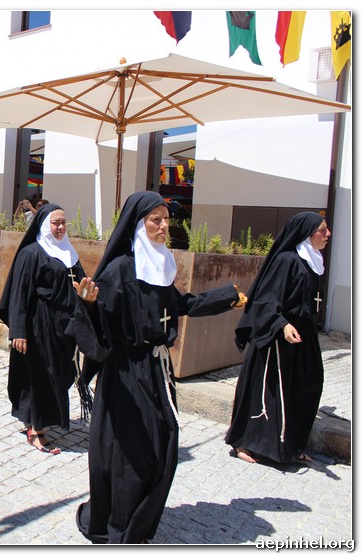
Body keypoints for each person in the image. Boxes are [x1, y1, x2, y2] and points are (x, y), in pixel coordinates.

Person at [75, 190, 245, 544]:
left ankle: (135, 520)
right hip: (124, 374)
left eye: (167, 219)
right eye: (156, 220)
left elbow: (182, 304)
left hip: (154, 371)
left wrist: (225, 297)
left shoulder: (162, 264)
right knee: (131, 452)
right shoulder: (120, 270)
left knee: (161, 444)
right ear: (139, 225)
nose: (165, 226)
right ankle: (121, 527)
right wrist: (89, 305)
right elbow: (100, 327)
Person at [225, 212, 330, 465]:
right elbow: (266, 299)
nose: (328, 234)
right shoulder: (287, 260)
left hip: (304, 336)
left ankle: (291, 445)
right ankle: (246, 443)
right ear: (306, 234)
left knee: (307, 384)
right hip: (276, 336)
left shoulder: (312, 261)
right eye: (322, 230)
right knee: (267, 391)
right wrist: (282, 325)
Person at [0, 204, 102, 455]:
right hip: (39, 325)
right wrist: (18, 331)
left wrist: (87, 297)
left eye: (64, 222)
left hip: (64, 328)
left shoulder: (69, 253)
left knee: (60, 374)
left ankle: (40, 418)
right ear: (45, 226)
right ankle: (37, 429)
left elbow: (80, 285)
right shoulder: (31, 253)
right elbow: (19, 293)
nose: (61, 227)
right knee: (39, 375)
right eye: (56, 223)